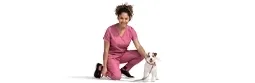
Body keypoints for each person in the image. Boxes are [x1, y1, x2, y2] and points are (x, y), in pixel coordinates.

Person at [93, 3, 147, 80]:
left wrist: (148, 59)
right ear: (118, 17)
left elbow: (138, 46)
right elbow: (105, 50)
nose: (124, 21)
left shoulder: (131, 30)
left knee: (142, 54)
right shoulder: (110, 30)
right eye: (121, 18)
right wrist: (105, 66)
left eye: (126, 19)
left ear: (129, 18)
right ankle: (100, 68)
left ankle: (125, 69)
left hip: (123, 55)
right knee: (116, 77)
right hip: (111, 57)